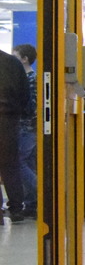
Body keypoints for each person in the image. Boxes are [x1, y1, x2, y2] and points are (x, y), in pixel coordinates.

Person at [0, 47, 29, 221]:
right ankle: (17, 208)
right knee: (11, 165)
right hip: (9, 120)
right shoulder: (13, 63)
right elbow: (25, 94)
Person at [11, 45, 36, 220]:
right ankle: (32, 203)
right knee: (28, 163)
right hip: (28, 127)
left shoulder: (29, 79)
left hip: (25, 127)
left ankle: (42, 191)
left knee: (19, 162)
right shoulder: (28, 78)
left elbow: (30, 106)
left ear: (25, 59)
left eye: (16, 57)